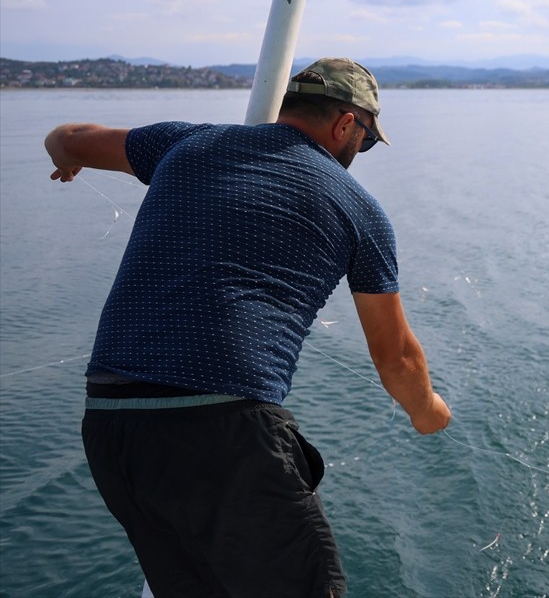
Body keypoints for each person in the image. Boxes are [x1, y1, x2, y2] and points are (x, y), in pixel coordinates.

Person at [45, 57, 451, 598]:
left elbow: (66, 137)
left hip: (112, 428)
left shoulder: (183, 143)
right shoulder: (359, 209)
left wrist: (68, 161)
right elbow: (397, 358)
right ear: (346, 125)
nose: (360, 153)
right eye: (367, 141)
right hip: (223, 434)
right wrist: (429, 414)